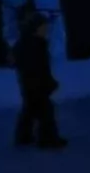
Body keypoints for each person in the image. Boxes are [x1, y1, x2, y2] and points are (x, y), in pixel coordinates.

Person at [13, 9, 67, 149]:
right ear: (36, 28)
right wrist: (46, 83)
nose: (46, 30)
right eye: (43, 27)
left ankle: (24, 137)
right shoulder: (33, 45)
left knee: (30, 109)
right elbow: (37, 68)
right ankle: (47, 139)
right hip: (34, 84)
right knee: (45, 111)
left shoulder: (31, 43)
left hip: (30, 84)